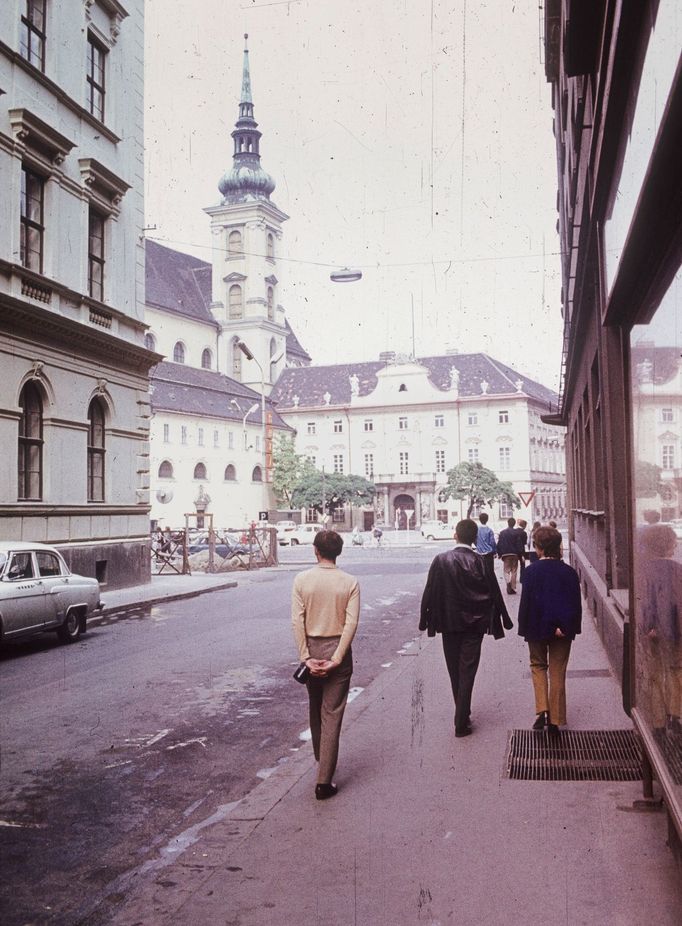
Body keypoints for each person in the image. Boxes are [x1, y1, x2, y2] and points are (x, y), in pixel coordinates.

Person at [419, 519, 512, 737]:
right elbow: (494, 592)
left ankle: (462, 713)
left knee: (454, 670)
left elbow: (430, 590)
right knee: (467, 670)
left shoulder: (441, 560)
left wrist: (424, 619)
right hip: (475, 624)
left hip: (448, 623)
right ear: (474, 539)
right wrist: (504, 619)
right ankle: (462, 718)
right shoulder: (480, 562)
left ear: (455, 536)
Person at [291, 530, 360, 800]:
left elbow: (297, 621)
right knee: (332, 713)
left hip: (311, 646)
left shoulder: (302, 580)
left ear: (315, 550)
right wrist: (337, 657)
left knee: (316, 707)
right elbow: (351, 623)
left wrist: (305, 657)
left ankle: (322, 760)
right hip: (336, 649)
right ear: (338, 552)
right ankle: (324, 781)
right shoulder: (350, 582)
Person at [517, 526, 582, 734]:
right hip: (562, 630)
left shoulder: (530, 572)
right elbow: (574, 604)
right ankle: (555, 719)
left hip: (536, 628)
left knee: (537, 666)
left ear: (539, 548)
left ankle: (542, 710)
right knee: (557, 670)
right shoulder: (569, 572)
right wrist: (565, 626)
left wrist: (524, 627)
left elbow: (527, 603)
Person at [497, 517, 526, 594]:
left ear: (508, 523)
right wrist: (521, 554)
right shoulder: (516, 533)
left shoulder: (502, 533)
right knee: (514, 570)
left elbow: (499, 543)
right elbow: (519, 544)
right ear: (514, 524)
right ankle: (513, 587)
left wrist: (499, 553)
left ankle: (508, 582)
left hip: (505, 554)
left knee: (506, 570)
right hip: (515, 554)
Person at [475, 512, 497, 583]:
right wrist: (495, 551)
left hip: (479, 553)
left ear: (479, 519)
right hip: (489, 553)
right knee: (490, 571)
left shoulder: (477, 530)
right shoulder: (489, 530)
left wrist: (478, 545)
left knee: (480, 571)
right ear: (487, 520)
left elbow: (474, 540)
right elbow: (492, 542)